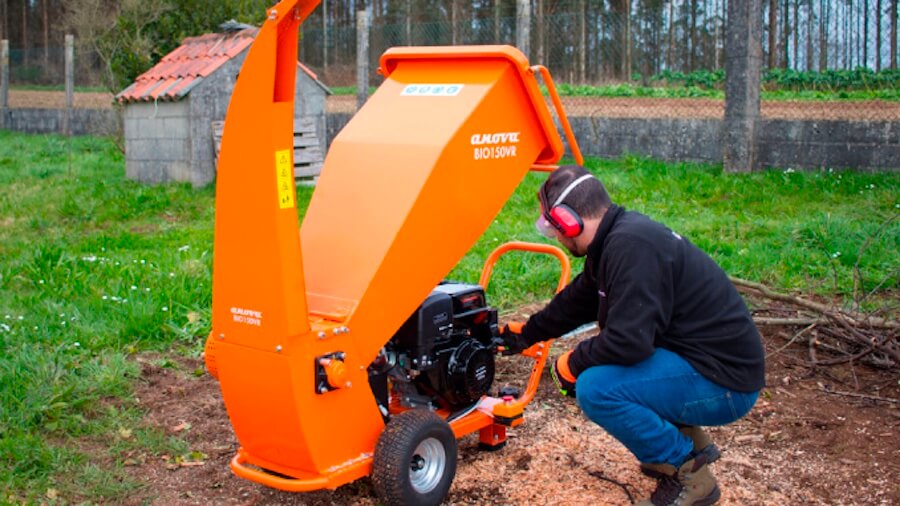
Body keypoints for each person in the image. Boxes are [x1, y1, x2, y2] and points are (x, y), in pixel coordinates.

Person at [499, 165, 765, 506]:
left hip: (727, 384)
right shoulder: (617, 239)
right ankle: (689, 442)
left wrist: (574, 362)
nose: (557, 238)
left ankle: (689, 474)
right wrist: (529, 333)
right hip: (707, 364)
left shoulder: (630, 248)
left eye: (554, 229)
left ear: (569, 221)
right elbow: (580, 299)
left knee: (596, 388)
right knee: (607, 376)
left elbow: (629, 342)